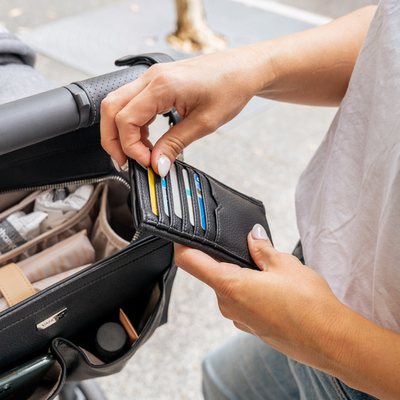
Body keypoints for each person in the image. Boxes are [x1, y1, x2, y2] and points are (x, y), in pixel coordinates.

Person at [100, 1, 398, 399]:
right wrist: (252, 66)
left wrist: (328, 339)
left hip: (369, 366)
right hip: (311, 277)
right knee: (222, 383)